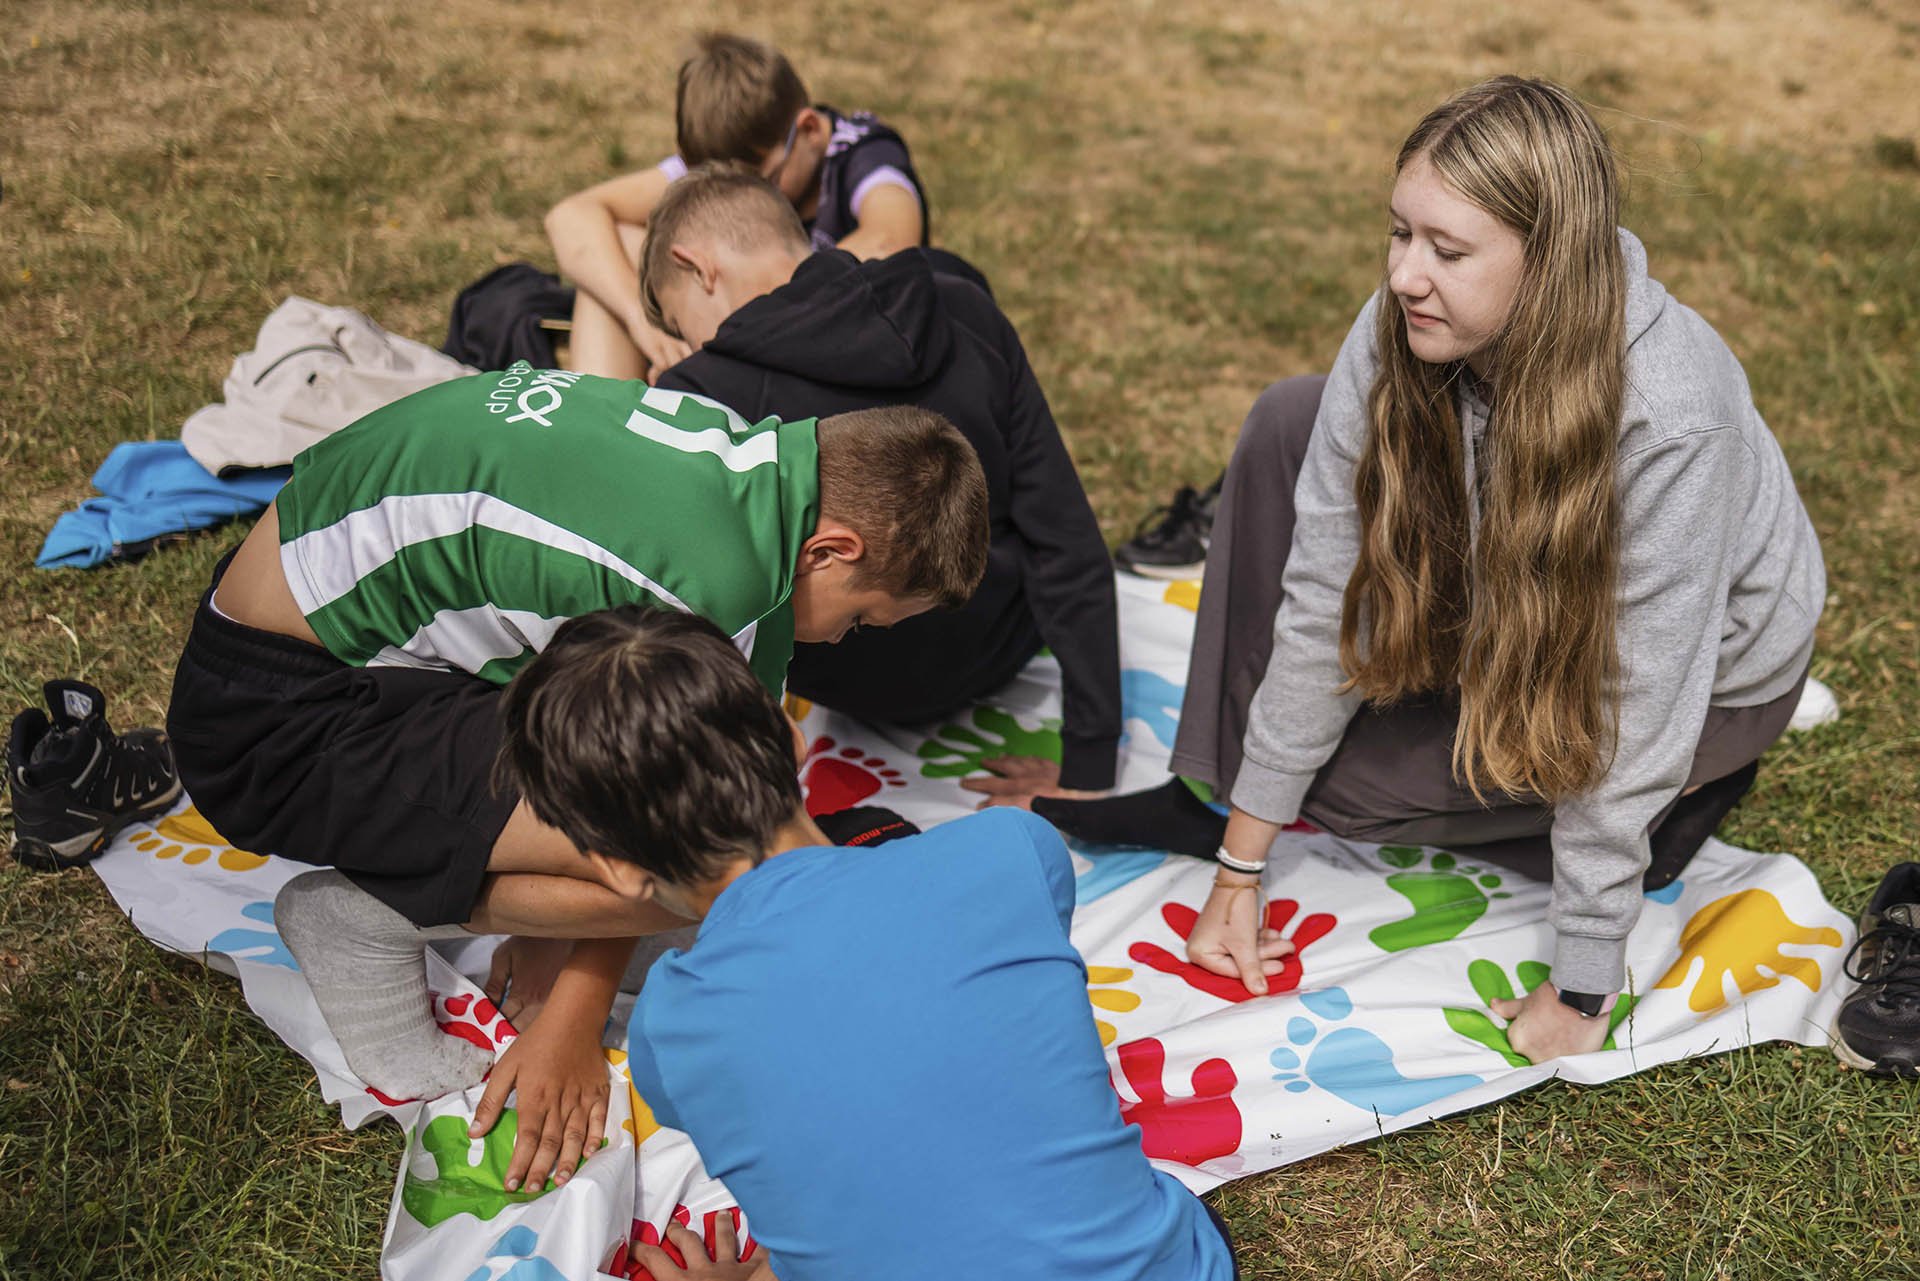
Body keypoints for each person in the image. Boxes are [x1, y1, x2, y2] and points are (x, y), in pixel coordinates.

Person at [1035, 76, 1826, 1066]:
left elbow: (1637, 704)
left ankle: (1669, 814)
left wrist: (1585, 975)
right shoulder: (1405, 326)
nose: (1406, 276)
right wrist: (1241, 862)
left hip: (1701, 690)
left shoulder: (1672, 415)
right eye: (1399, 233)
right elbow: (1324, 598)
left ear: (1551, 262)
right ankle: (1213, 791)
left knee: (1341, 790)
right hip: (1518, 606)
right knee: (1290, 418)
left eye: (1448, 252)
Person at [165, 367, 987, 1195]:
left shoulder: (746, 463)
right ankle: (358, 921)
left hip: (313, 646)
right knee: (717, 868)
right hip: (273, 729)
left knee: (721, 844)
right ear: (831, 550)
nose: (841, 641)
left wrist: (553, 938)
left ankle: (493, 889)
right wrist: (572, 1018)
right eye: (859, 618)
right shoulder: (709, 585)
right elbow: (667, 821)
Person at [501, 605, 1238, 1281]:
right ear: (792, 737)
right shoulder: (1011, 848)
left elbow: (849, 1174)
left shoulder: (668, 1031)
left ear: (616, 867)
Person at [627, 163, 1120, 801]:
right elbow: (1063, 534)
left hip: (843, 685)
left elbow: (683, 609)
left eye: (678, 323)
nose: (689, 344)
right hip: (999, 650)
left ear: (696, 266)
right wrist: (1089, 763)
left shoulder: (702, 396)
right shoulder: (959, 303)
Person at [545, 31, 929, 382]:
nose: (747, 200)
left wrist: (726, 337)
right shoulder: (738, 154)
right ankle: (595, 416)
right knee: (622, 245)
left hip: (840, 350)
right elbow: (572, 217)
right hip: (744, 342)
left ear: (810, 130)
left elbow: (889, 240)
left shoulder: (866, 154)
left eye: (765, 182)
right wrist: (639, 319)